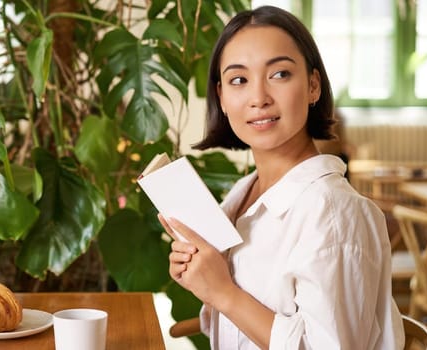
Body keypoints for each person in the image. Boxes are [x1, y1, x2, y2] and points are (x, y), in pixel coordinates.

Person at [162, 6, 404, 349]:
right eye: (239, 80)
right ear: (222, 98)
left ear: (313, 86)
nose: (258, 98)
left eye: (279, 74)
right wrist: (202, 277)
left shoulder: (334, 214)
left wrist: (224, 293)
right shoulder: (245, 192)